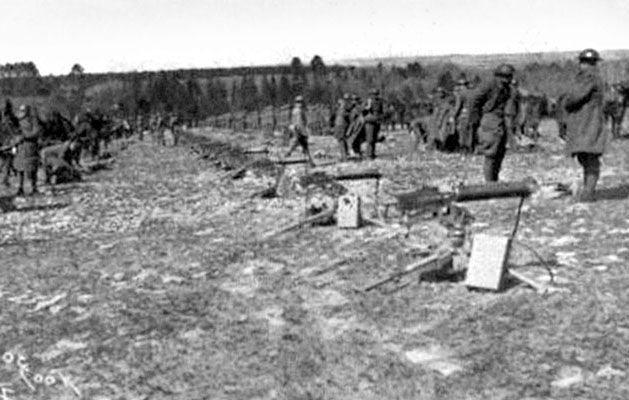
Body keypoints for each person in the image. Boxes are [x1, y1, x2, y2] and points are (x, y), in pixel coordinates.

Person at [561, 48, 606, 202]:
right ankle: (587, 192)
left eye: (584, 62)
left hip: (587, 122)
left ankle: (588, 193)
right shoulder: (592, 77)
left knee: (590, 157)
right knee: (586, 157)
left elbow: (574, 98)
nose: (582, 65)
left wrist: (566, 102)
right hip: (586, 122)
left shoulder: (588, 78)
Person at [468, 63, 515, 182]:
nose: (506, 79)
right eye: (503, 76)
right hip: (489, 120)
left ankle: (494, 181)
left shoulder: (507, 89)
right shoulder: (488, 86)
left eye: (508, 76)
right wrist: (476, 119)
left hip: (501, 121)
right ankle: (489, 183)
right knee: (491, 153)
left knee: (500, 153)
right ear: (497, 76)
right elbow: (474, 100)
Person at [14, 105, 42, 196]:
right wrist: (16, 139)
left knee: (32, 168)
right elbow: (15, 133)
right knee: (20, 168)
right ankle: (20, 188)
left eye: (24, 110)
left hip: (30, 146)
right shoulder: (18, 121)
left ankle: (34, 187)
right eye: (21, 110)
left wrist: (25, 136)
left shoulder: (33, 120)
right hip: (21, 147)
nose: (22, 112)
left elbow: (36, 132)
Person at [284, 96, 315, 166]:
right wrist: (302, 131)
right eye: (298, 102)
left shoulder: (296, 111)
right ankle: (286, 155)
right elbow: (299, 122)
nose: (300, 103)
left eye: (300, 102)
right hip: (299, 130)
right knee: (298, 144)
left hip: (298, 130)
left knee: (304, 146)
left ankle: (310, 161)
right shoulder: (298, 111)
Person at [452, 78, 472, 152]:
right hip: (473, 115)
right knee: (470, 133)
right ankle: (471, 149)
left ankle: (463, 149)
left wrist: (453, 116)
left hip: (463, 116)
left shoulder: (461, 94)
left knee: (462, 133)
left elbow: (458, 107)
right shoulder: (473, 93)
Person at [363, 88, 384, 159]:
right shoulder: (380, 101)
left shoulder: (369, 100)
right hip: (377, 120)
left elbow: (365, 110)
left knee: (370, 139)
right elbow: (382, 111)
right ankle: (372, 154)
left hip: (370, 120)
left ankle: (369, 155)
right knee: (373, 138)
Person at [333, 94, 352, 161]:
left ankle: (344, 157)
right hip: (340, 125)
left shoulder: (343, 108)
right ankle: (345, 155)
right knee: (342, 140)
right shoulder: (343, 108)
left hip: (340, 125)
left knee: (341, 141)